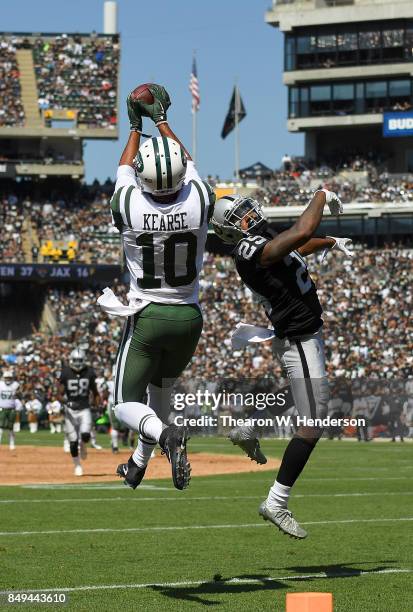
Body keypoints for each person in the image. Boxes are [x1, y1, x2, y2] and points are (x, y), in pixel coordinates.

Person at [212, 189, 352, 538]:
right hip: (300, 336)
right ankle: (276, 501)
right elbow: (301, 232)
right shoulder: (247, 251)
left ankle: (250, 426)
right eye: (238, 216)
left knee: (306, 405)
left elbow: (299, 247)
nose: (248, 215)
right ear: (230, 231)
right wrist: (321, 194)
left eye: (245, 209)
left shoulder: (262, 239)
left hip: (300, 335)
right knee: (313, 423)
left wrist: (330, 241)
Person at [99, 84, 214, 491]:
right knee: (160, 391)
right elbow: (187, 159)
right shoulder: (199, 200)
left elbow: (124, 170)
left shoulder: (130, 205)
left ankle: (167, 437)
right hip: (189, 317)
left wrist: (134, 126)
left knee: (122, 403)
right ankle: (138, 462)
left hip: (149, 316)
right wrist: (162, 121)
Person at [58, 348, 100, 476]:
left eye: (79, 360)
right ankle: (77, 466)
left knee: (86, 435)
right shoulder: (65, 372)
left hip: (84, 408)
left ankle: (83, 444)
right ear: (71, 360)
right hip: (70, 410)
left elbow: (95, 392)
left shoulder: (89, 372)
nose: (77, 363)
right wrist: (66, 402)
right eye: (75, 360)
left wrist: (96, 404)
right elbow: (58, 394)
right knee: (72, 442)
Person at [0, 370, 20, 450]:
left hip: (11, 409)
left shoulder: (15, 385)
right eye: (6, 378)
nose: (8, 379)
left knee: (10, 428)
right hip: (2, 408)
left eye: (9, 378)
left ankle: (12, 443)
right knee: (0, 427)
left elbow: (19, 393)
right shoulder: (1, 384)